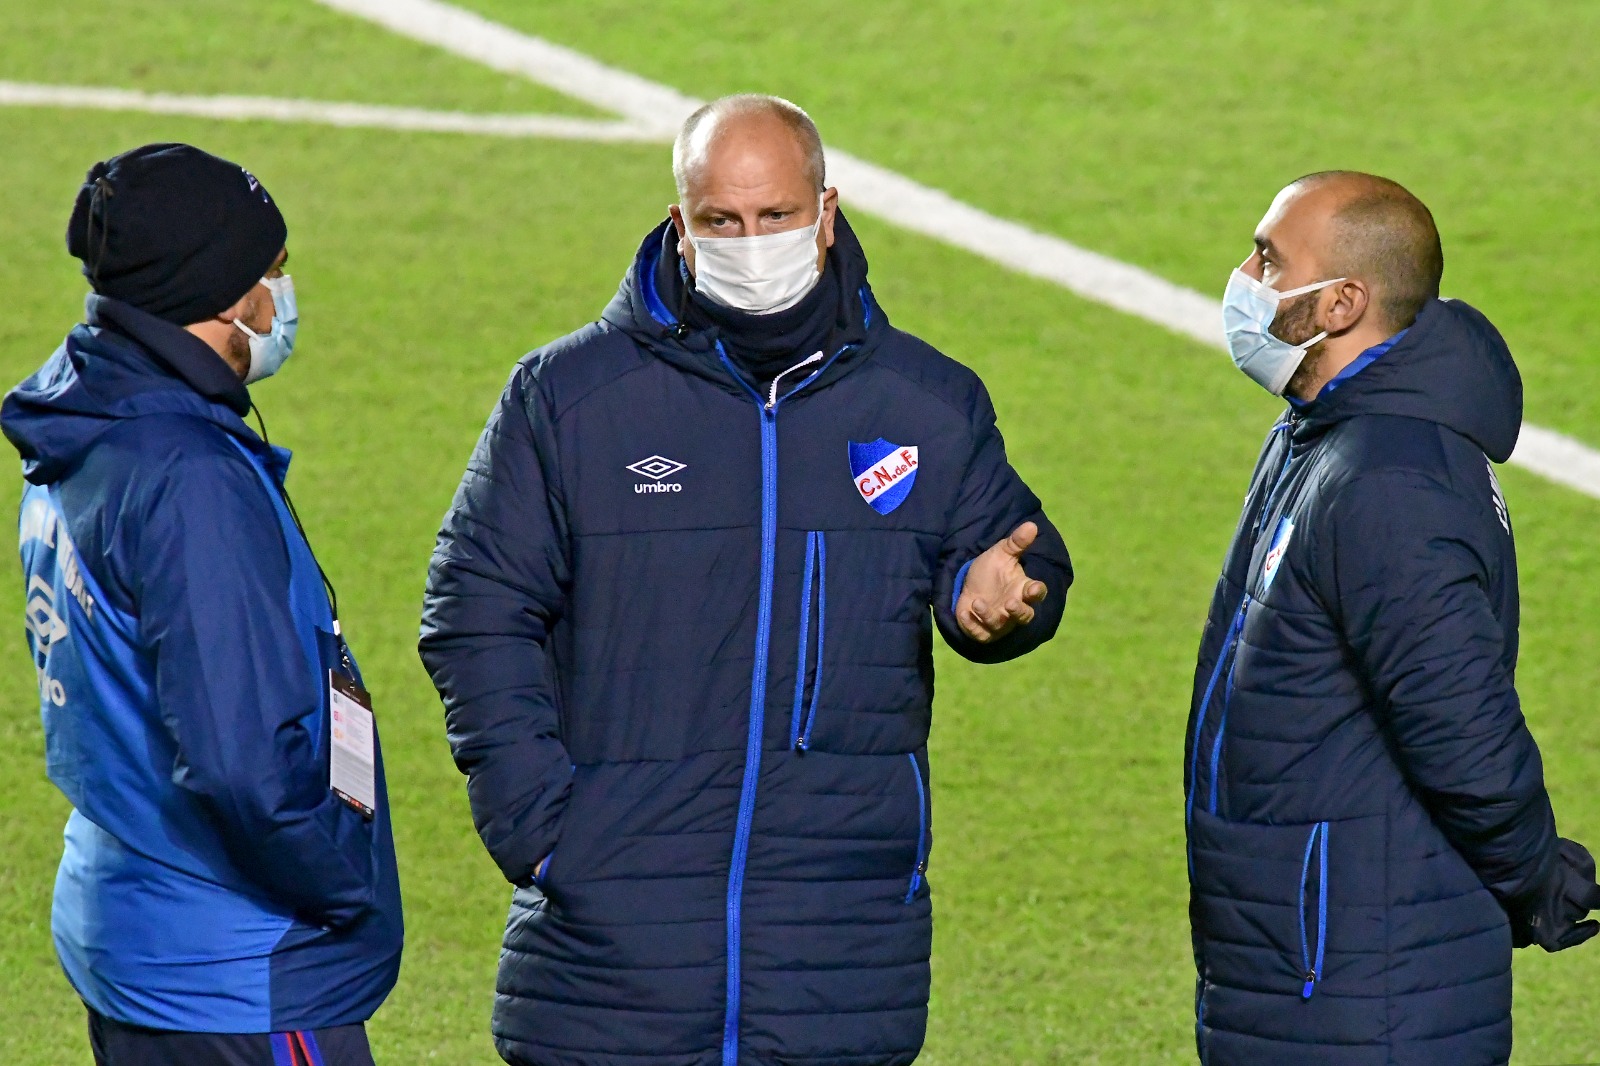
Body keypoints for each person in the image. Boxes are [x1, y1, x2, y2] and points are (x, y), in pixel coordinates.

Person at [420, 94, 1072, 1066]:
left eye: (775, 215)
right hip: (611, 956)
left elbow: (1019, 560)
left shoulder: (926, 405)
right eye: (720, 221)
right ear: (680, 224)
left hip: (837, 951)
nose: (751, 244)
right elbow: (475, 611)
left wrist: (1001, 604)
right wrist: (543, 828)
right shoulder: (569, 398)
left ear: (827, 211)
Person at [1187, 170, 1600, 1064]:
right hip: (1313, 961)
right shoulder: (1327, 433)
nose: (1244, 279)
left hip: (1365, 987)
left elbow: (1463, 727)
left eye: (1268, 260)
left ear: (1342, 302)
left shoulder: (1389, 479)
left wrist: (1534, 877)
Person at [2, 143, 402, 1066]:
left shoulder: (81, 428)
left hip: (130, 914)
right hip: (235, 967)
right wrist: (340, 888)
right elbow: (239, 762)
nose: (281, 295)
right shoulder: (189, 480)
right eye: (272, 270)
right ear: (226, 298)